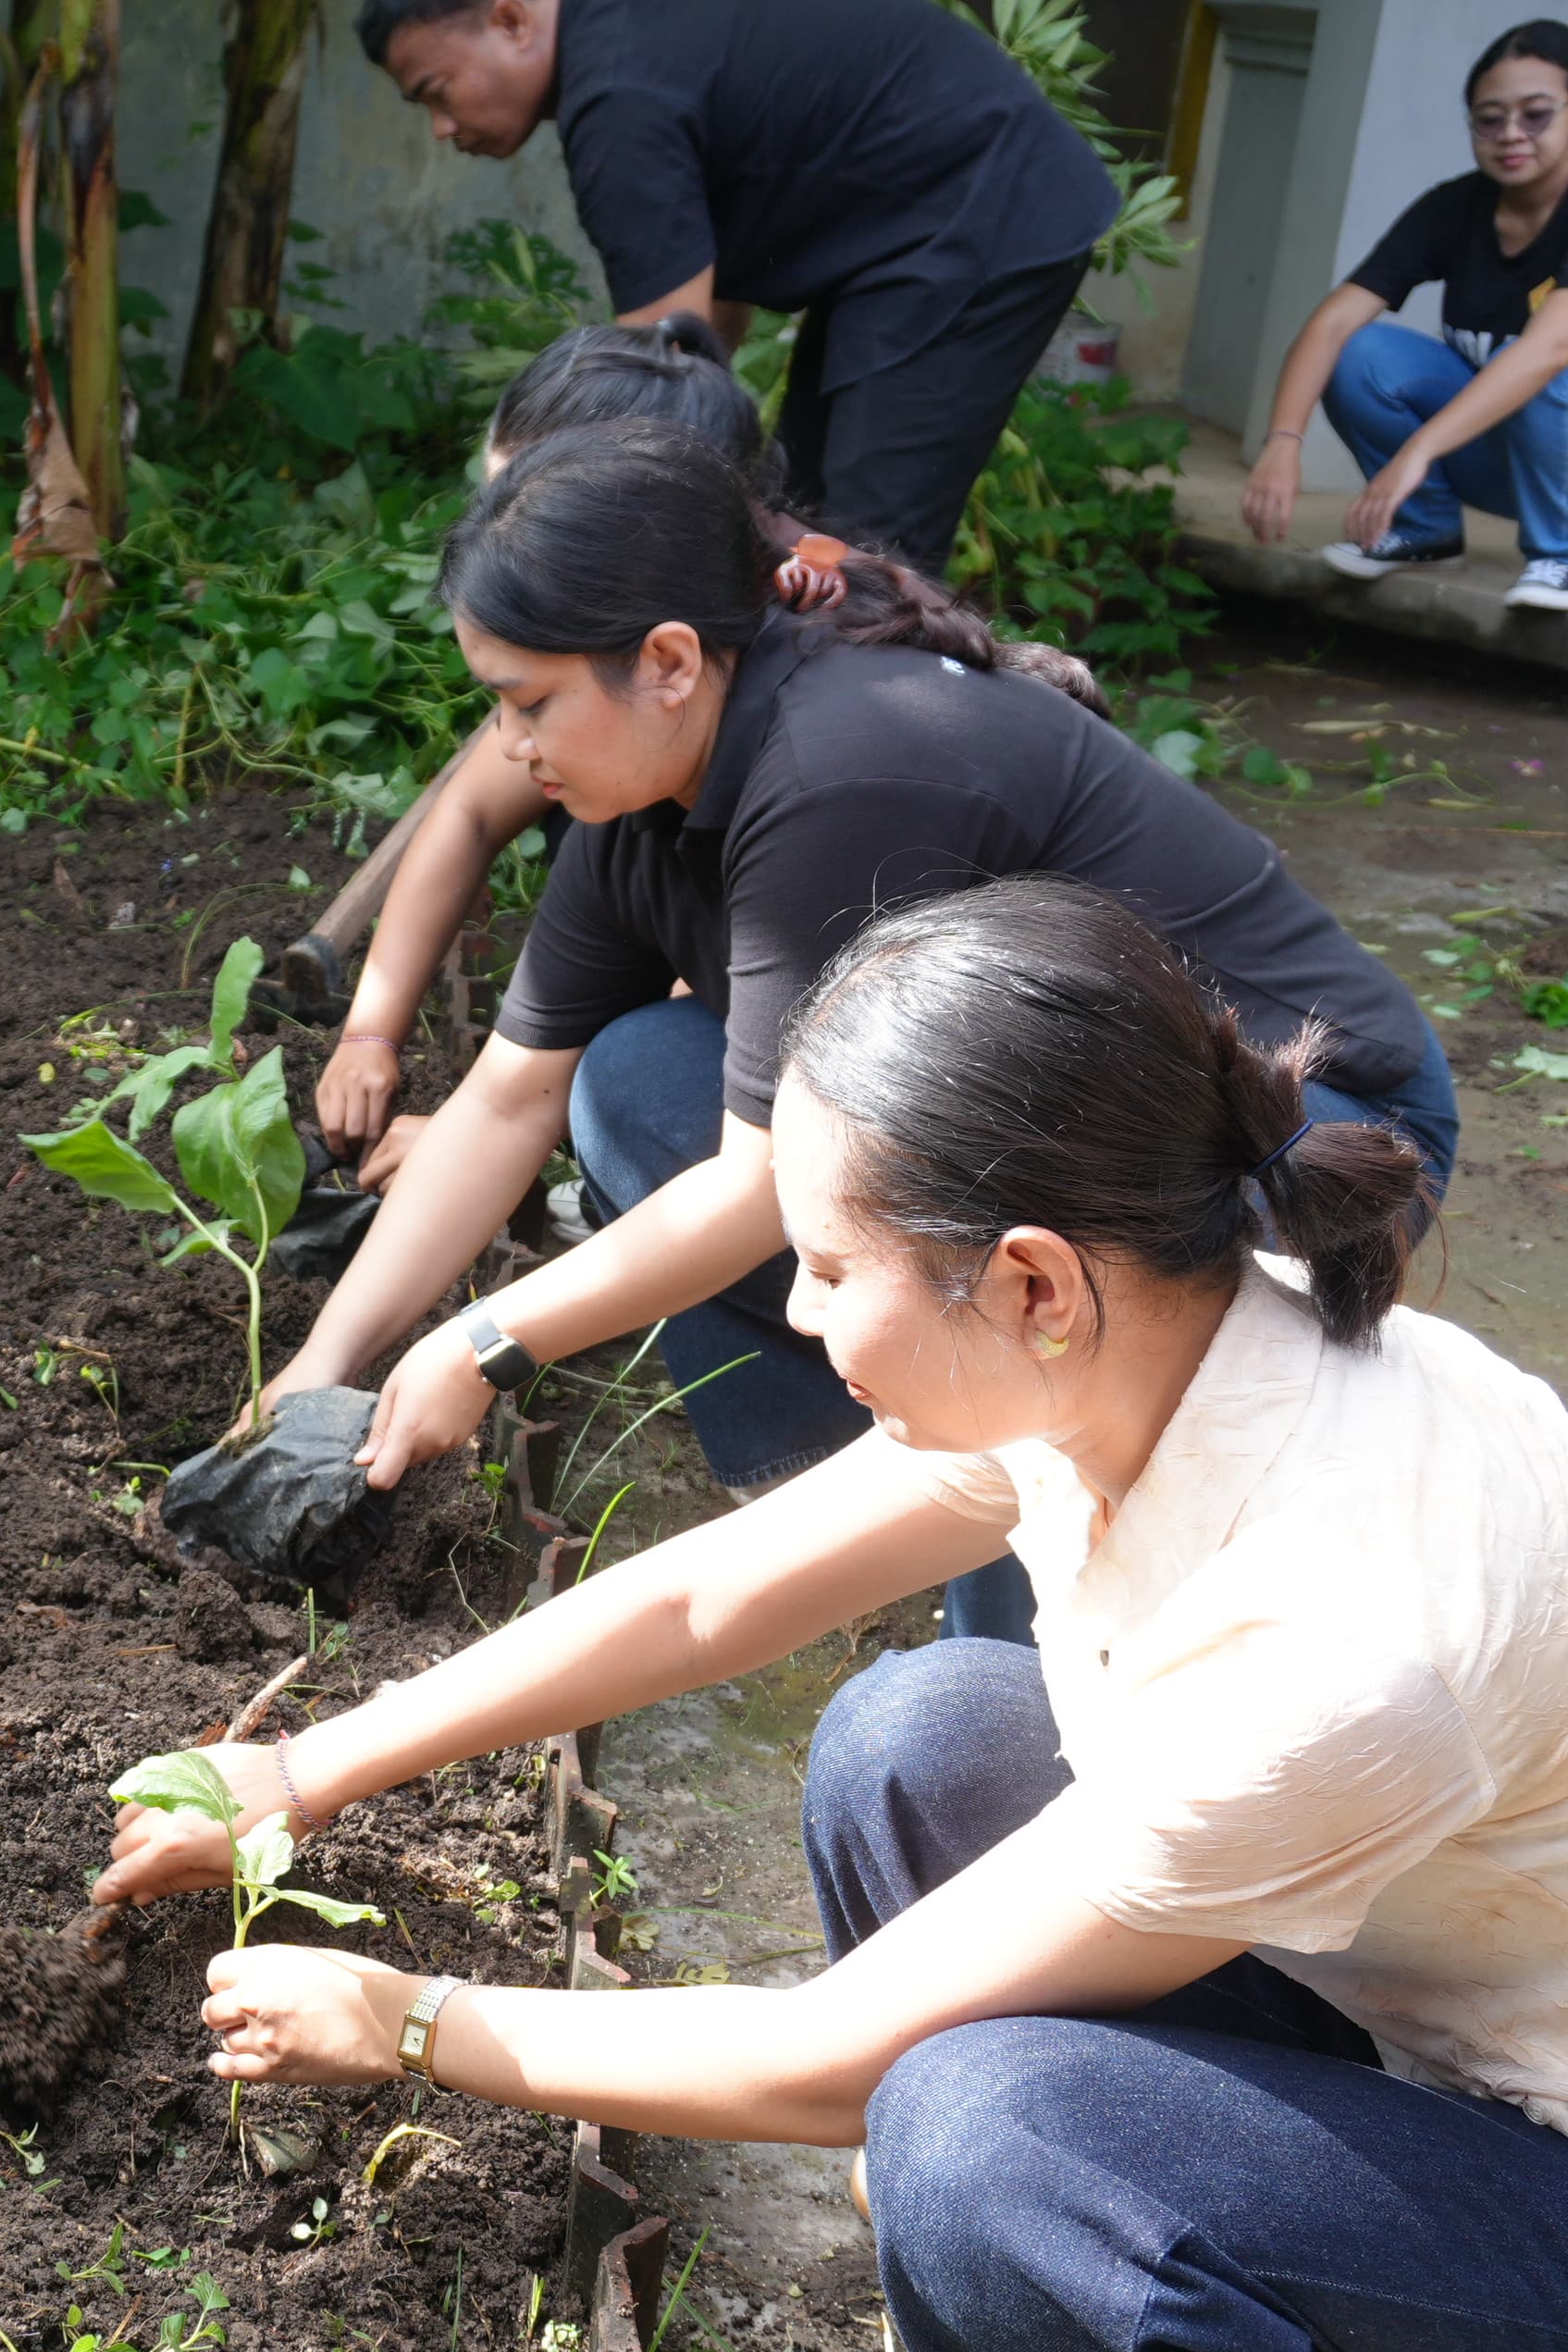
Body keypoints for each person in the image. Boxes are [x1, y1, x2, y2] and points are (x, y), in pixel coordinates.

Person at [110, 885, 1568, 2352]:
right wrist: (303, 1770)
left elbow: (829, 2063)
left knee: (976, 2133)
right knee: (919, 1738)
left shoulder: (1349, 1633)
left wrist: (410, 2022)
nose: (801, 1312)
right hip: (1467, 2049)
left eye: (827, 1260)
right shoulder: (1165, 1328)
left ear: (1031, 1276)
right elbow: (710, 1589)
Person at [263, 424, 1457, 1641]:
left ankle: (1008, 1591)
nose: (509, 749)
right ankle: (870, 1526)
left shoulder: (840, 768)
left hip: (1300, 1126)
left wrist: (484, 1346)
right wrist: (327, 1361)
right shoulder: (642, 801)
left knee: (1023, 1623)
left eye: (528, 704)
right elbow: (507, 1102)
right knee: (633, 1082)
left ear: (669, 660)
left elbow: (753, 1183)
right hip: (1051, 1127)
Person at [319, 318, 1105, 1187]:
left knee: (638, 1081)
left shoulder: (801, 697)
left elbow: (740, 970)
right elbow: (470, 811)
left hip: (982, 1084)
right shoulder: (613, 684)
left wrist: (505, 1132)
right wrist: (373, 1037)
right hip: (853, 1027)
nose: (504, 549)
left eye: (542, 510)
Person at [353, 0, 1117, 571]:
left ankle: (878, 757)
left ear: (512, 19)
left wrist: (586, 542)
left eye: (435, 90)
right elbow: (701, 330)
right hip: (915, 231)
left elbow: (658, 391)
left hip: (977, 214)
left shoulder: (618, 101)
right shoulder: (623, 37)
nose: (441, 129)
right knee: (805, 517)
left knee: (867, 555)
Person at [1242, 20, 1568, 616]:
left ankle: (1562, 555)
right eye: (1489, 118)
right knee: (1359, 352)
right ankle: (1426, 530)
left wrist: (1419, 448)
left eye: (1536, 115)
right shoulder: (1452, 206)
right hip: (1509, 444)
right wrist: (1282, 442)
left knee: (1536, 363)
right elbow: (1331, 323)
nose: (1511, 135)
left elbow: (1550, 352)